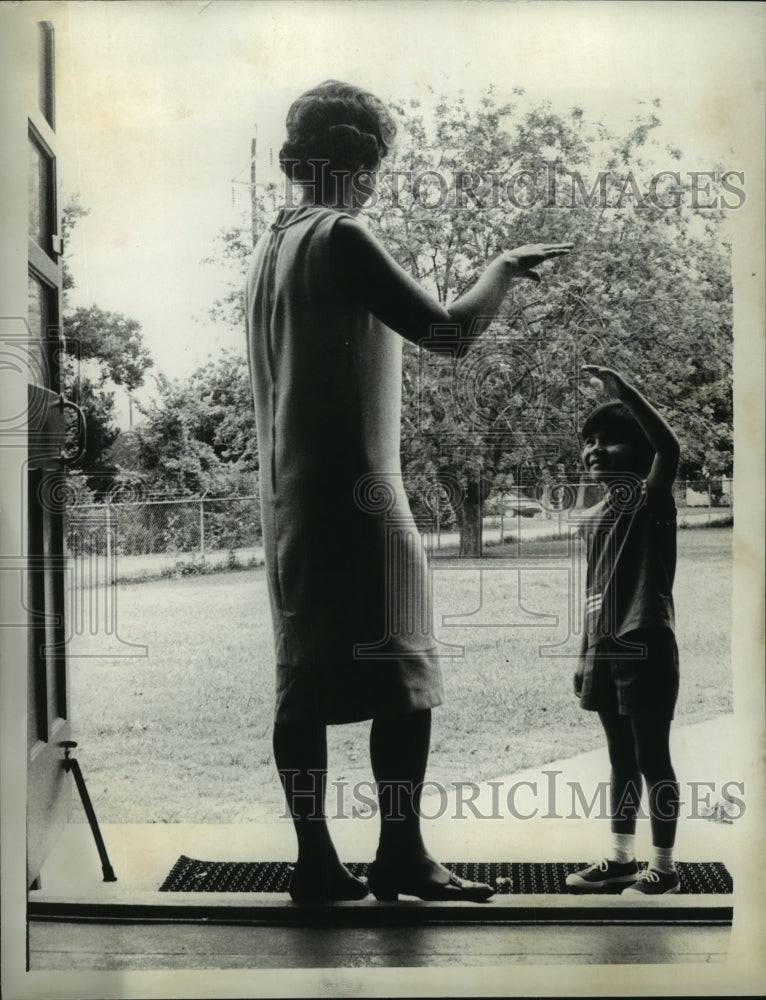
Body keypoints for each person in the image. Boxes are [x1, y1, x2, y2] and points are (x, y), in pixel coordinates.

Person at [244, 80, 572, 902]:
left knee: (304, 674)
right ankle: (401, 854)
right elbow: (448, 333)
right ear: (361, 160)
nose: (379, 180)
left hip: (291, 500)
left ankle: (316, 862)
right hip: (357, 490)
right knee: (405, 674)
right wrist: (502, 266)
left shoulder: (274, 245)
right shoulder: (341, 233)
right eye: (378, 163)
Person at [566, 365, 682, 895]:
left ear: (637, 449)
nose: (595, 449)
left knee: (651, 757)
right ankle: (621, 860)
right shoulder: (592, 518)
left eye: (611, 440)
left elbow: (670, 448)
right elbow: (594, 593)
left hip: (646, 642)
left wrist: (627, 394)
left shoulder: (648, 497)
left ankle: (663, 868)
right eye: (589, 441)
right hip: (605, 649)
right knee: (620, 761)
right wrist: (583, 654)